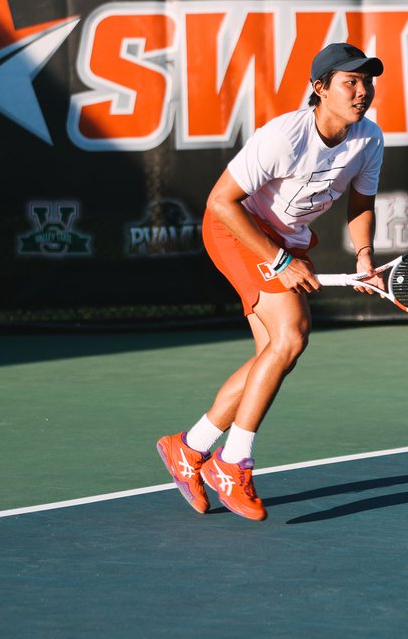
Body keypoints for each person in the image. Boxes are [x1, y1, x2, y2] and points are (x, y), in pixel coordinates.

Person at [156, 42, 386, 521]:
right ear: (320, 89)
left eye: (367, 82)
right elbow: (221, 203)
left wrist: (364, 256)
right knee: (291, 336)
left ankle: (190, 447)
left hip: (288, 238)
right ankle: (232, 461)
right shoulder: (282, 137)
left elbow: (360, 205)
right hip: (235, 229)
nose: (362, 91)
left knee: (276, 355)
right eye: (350, 82)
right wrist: (280, 261)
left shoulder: (369, 139)